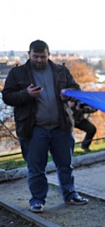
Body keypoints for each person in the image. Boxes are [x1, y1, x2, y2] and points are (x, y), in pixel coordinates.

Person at [1, 40, 89, 213]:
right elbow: (7, 97)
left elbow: (75, 89)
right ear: (29, 54)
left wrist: (68, 94)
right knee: (36, 167)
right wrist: (26, 94)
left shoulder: (61, 71)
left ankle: (70, 194)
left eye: (43, 56)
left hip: (61, 127)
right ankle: (37, 200)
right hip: (33, 129)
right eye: (36, 56)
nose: (39, 60)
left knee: (65, 164)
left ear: (49, 55)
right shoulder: (17, 73)